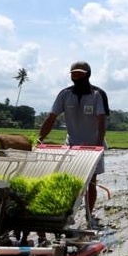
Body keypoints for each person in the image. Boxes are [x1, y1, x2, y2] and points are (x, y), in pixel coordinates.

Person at [38, 61, 110, 225]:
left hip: (93, 145)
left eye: (79, 73)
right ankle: (66, 213)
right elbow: (51, 118)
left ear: (88, 74)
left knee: (91, 181)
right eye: (73, 73)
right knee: (69, 180)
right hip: (72, 144)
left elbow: (101, 121)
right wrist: (39, 139)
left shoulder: (98, 94)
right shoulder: (65, 94)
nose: (75, 76)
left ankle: (89, 215)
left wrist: (98, 145)